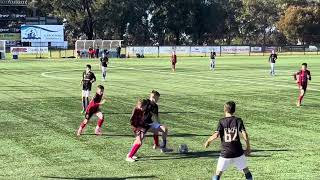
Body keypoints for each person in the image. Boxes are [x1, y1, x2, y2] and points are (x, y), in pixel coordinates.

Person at [204, 101, 253, 180]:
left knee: (218, 173)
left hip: (225, 153)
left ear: (224, 109)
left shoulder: (221, 121)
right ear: (234, 110)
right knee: (246, 171)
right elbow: (245, 134)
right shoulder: (238, 120)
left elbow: (216, 135)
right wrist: (248, 148)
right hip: (238, 152)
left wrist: (208, 141)